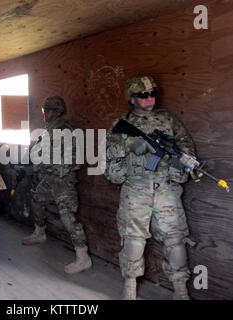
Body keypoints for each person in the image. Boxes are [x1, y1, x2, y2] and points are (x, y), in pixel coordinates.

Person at [104, 75, 196, 300]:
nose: (149, 98)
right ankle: (130, 285)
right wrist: (130, 145)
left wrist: (183, 160)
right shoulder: (121, 125)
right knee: (133, 239)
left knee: (175, 239)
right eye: (143, 95)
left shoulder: (167, 120)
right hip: (135, 190)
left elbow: (185, 144)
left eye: (152, 93)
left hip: (166, 189)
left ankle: (180, 289)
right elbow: (108, 157)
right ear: (132, 98)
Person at [21, 96, 92, 274]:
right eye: (44, 111)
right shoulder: (50, 129)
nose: (44, 114)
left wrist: (48, 165)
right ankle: (40, 232)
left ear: (55, 111)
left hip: (62, 181)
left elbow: (72, 160)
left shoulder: (65, 131)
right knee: (37, 200)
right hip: (49, 179)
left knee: (68, 217)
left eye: (46, 111)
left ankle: (83, 257)